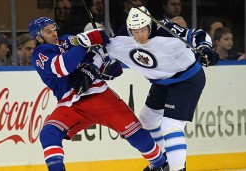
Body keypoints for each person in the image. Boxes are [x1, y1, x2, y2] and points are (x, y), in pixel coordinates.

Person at [28, 16, 168, 171]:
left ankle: (160, 164)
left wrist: (101, 68)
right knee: (49, 133)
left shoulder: (68, 39)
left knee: (134, 132)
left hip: (101, 96)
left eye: (53, 28)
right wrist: (86, 41)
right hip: (72, 104)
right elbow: (63, 66)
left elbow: (93, 56)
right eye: (48, 31)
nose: (53, 33)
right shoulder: (40, 54)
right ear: (39, 37)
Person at [94, 6, 219, 171]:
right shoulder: (124, 35)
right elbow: (106, 51)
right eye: (135, 31)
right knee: (147, 118)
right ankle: (162, 164)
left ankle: (177, 168)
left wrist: (205, 48)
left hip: (187, 80)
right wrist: (96, 66)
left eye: (143, 30)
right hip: (161, 82)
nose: (140, 35)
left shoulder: (167, 30)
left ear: (150, 25)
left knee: (171, 125)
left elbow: (198, 35)